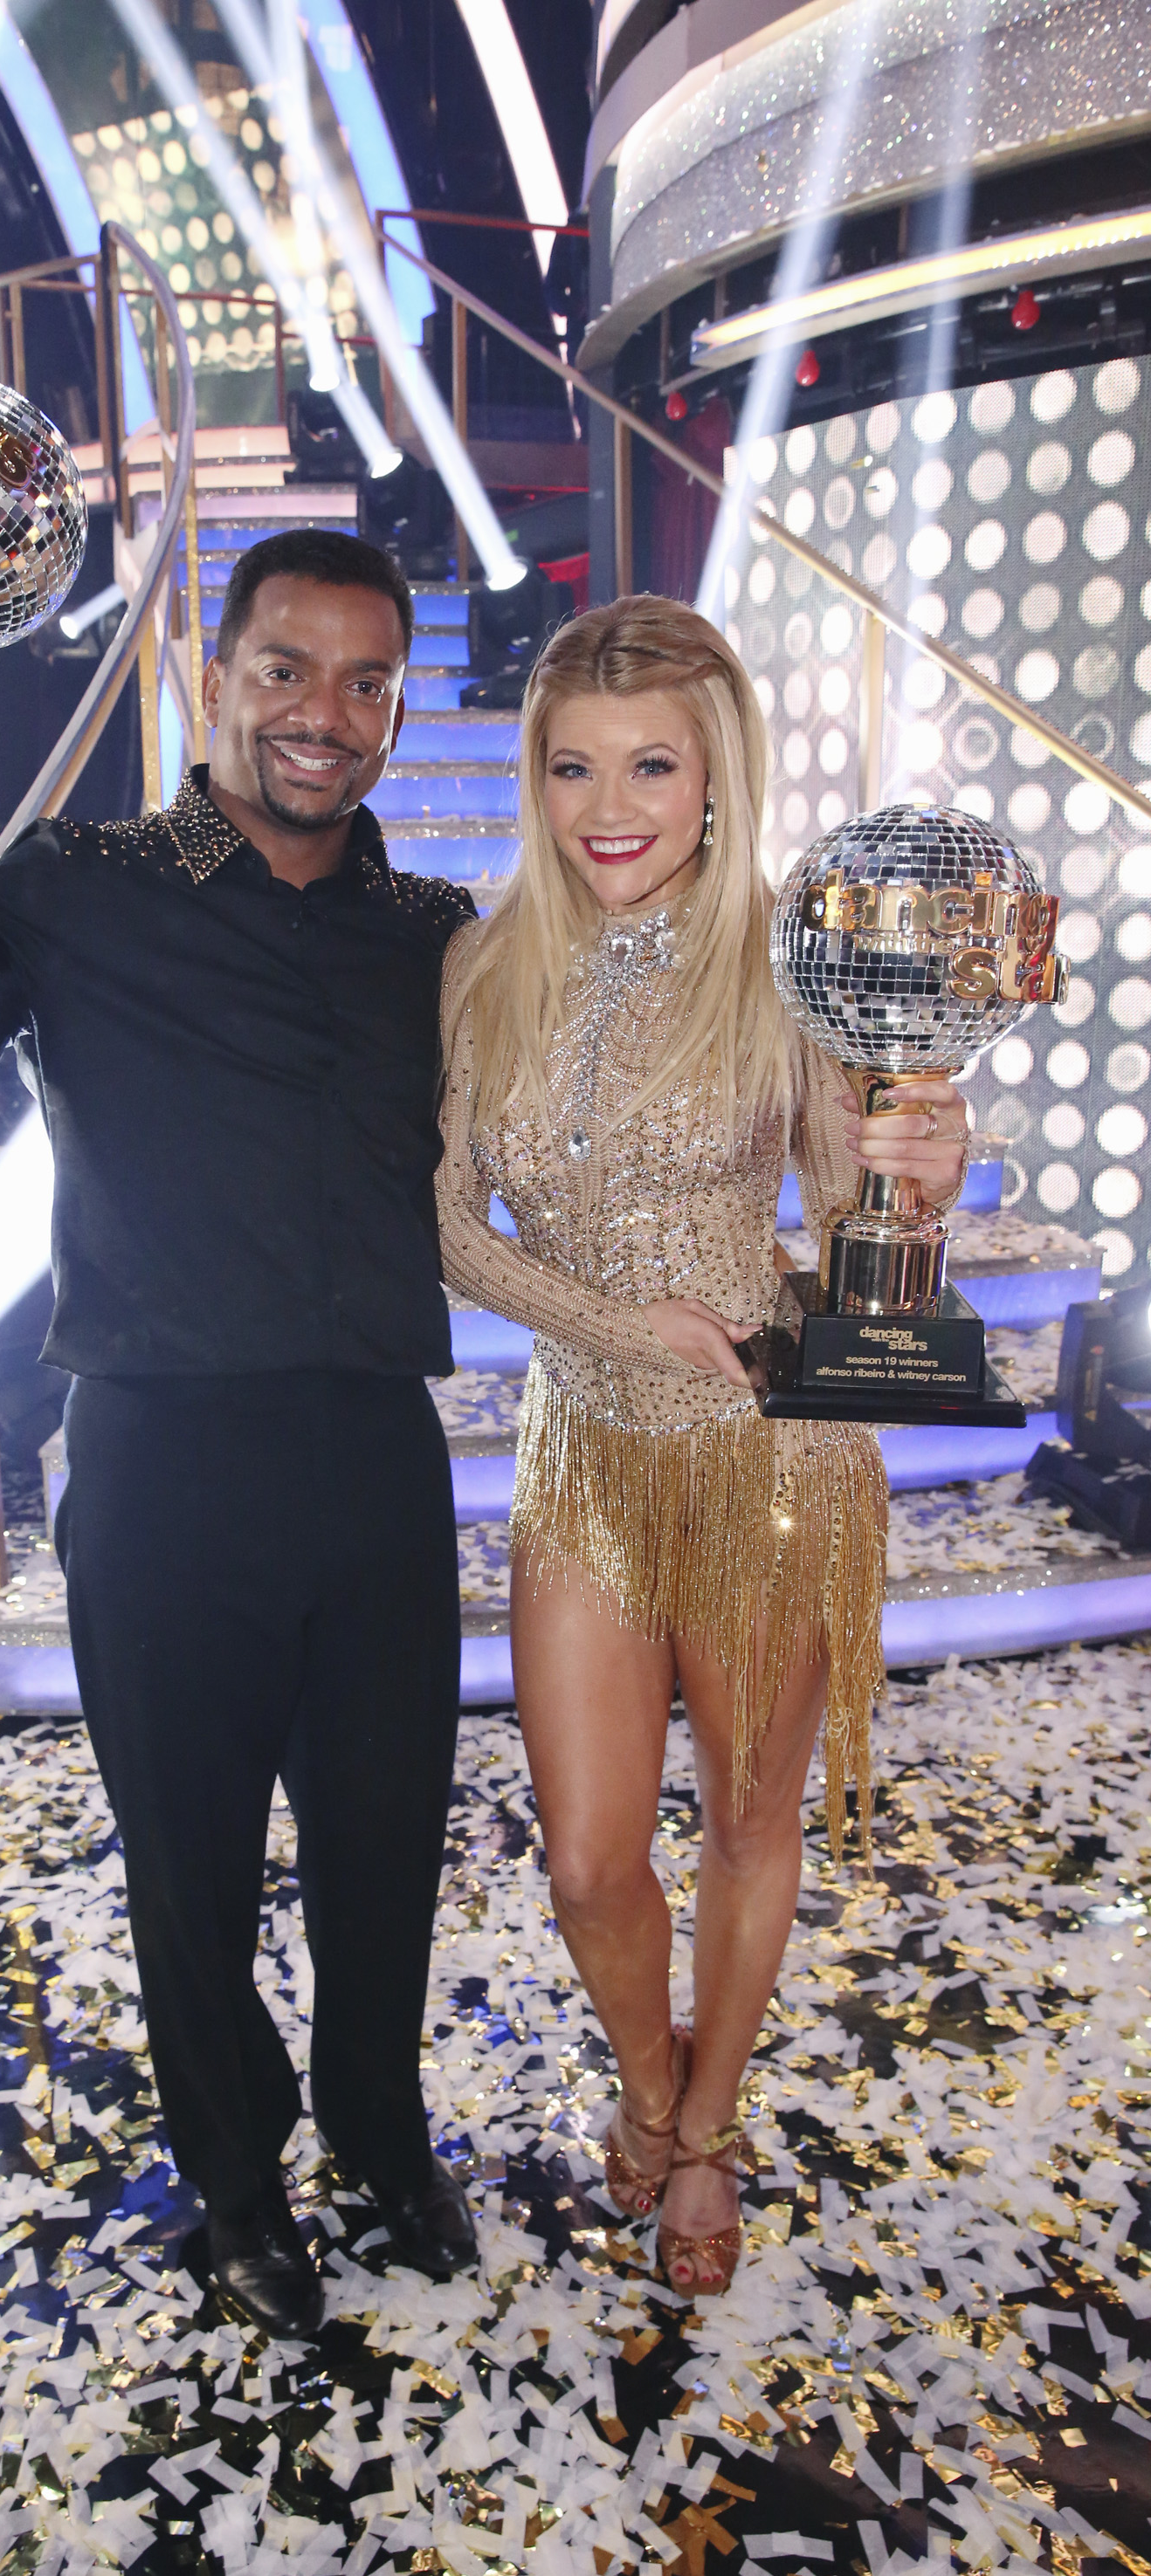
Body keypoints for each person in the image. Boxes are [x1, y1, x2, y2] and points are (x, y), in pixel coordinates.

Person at [0, 528, 481, 2339]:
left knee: (386, 1851)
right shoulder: (79, 883)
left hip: (377, 1461)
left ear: (397, 706)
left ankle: (382, 2139)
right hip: (166, 1465)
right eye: (284, 670)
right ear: (213, 674)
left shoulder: (436, 937)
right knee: (189, 1870)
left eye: (364, 682)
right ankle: (237, 2187)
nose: (322, 715)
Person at [435, 597, 968, 2297]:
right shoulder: (481, 959)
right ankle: (648, 2083)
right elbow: (449, 1225)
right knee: (589, 1855)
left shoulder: (789, 960)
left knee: (748, 1826)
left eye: (650, 763)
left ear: (713, 774)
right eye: (575, 763)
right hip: (582, 1452)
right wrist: (612, 1326)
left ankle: (709, 2127)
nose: (610, 802)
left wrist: (921, 1169)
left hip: (771, 1462)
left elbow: (855, 1203)